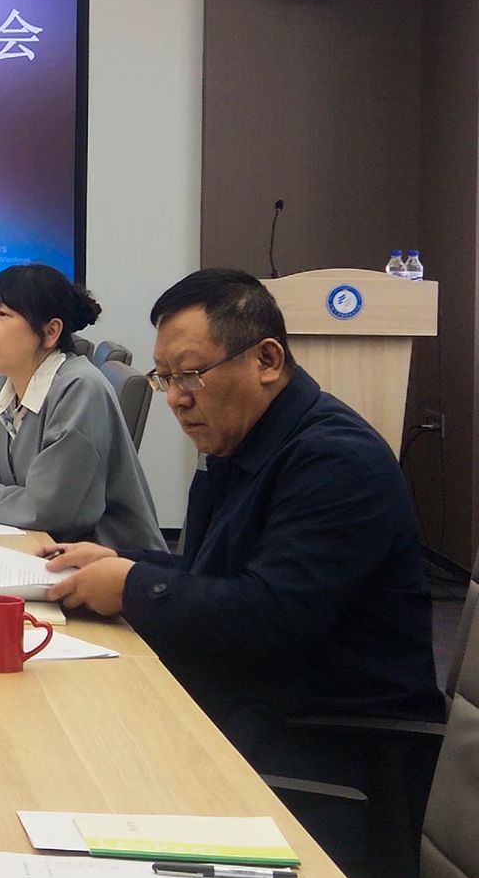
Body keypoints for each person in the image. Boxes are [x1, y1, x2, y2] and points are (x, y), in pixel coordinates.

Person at [48, 268, 441, 763]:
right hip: (252, 699)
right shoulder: (247, 440)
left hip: (329, 741)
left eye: (191, 373)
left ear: (267, 360)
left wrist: (130, 585)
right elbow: (218, 572)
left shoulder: (336, 459)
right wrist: (119, 560)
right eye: (165, 377)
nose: (176, 398)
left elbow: (267, 616)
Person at [0, 263, 165, 550]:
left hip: (110, 557)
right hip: (50, 545)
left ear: (51, 332)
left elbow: (50, 510)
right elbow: (3, 472)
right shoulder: (1, 388)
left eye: (3, 314)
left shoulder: (79, 388)